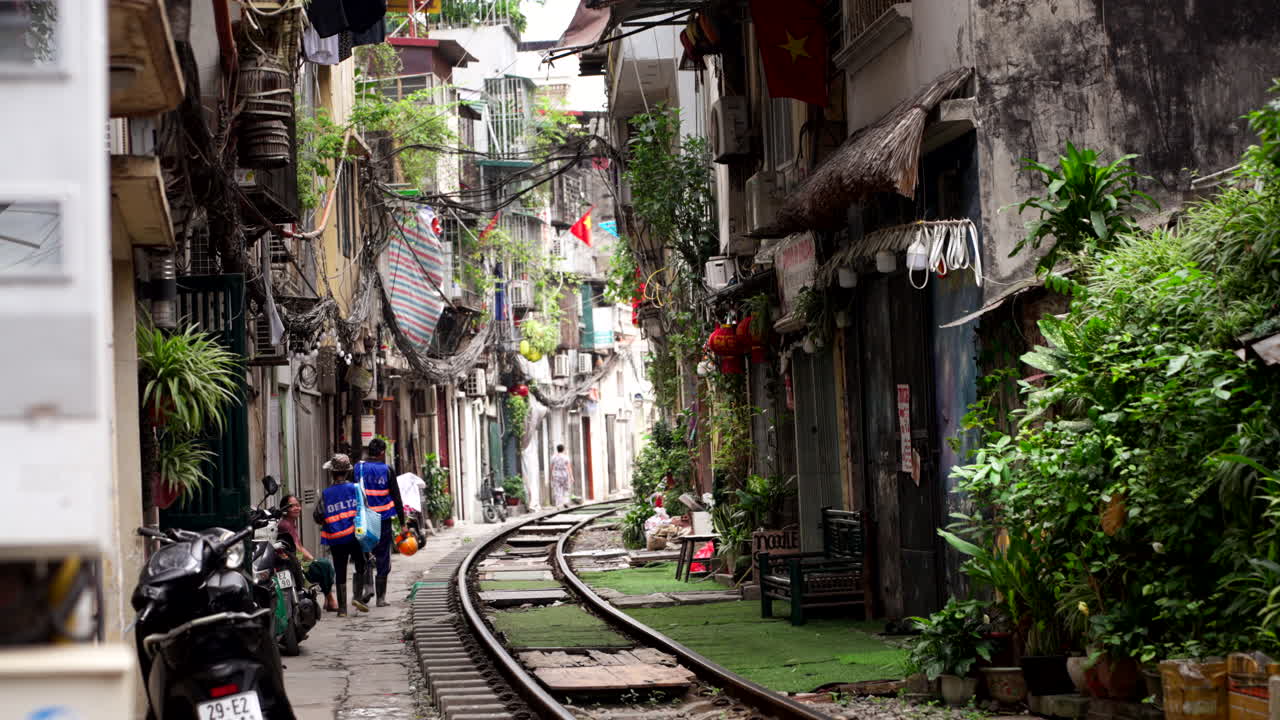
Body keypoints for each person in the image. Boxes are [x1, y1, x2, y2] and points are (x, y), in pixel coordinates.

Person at [312, 453, 369, 616]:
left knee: (340, 568)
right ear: (347, 472)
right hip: (355, 536)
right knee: (360, 564)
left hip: (336, 538)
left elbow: (318, 515)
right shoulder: (356, 488)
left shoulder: (327, 493)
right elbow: (365, 508)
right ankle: (357, 597)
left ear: (332, 473)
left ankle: (342, 609)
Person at [355, 438, 406, 608]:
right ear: (382, 452)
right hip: (382, 520)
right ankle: (381, 598)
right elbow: (397, 498)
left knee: (364, 552)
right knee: (383, 555)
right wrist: (403, 523)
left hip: (362, 519)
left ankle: (366, 586)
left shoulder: (358, 468)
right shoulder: (387, 470)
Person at [279, 494, 337, 612]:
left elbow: (299, 546)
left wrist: (311, 559)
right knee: (324, 565)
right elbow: (297, 548)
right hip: (295, 564)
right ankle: (329, 598)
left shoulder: (291, 523)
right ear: (285, 509)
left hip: (299, 560)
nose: (297, 508)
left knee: (325, 564)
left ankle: (328, 598)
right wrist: (311, 559)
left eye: (298, 505)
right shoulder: (284, 525)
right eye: (293, 506)